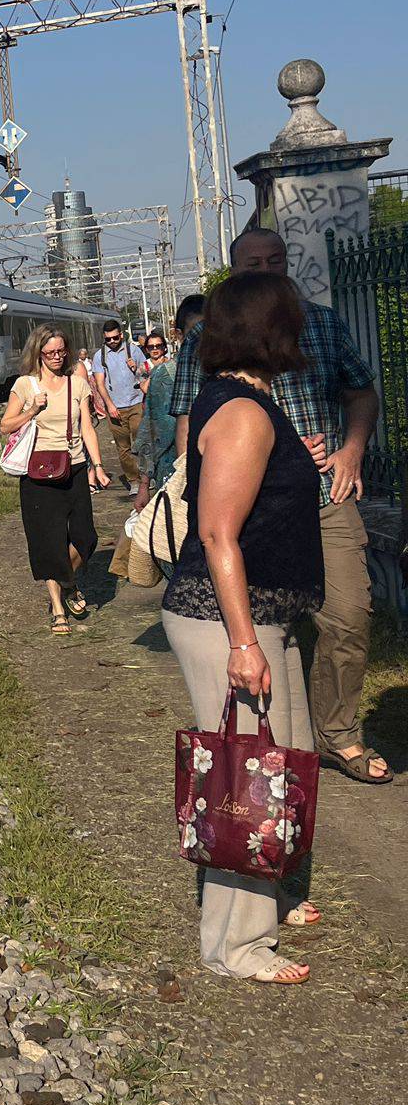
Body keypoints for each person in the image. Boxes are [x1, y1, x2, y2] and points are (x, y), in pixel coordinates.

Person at [173, 227, 388, 782]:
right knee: (252, 774)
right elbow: (218, 517)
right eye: (254, 263)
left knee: (344, 623)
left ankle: (336, 737)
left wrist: (348, 451)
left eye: (276, 260)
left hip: (310, 518)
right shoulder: (231, 383)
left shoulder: (307, 334)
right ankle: (249, 859)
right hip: (249, 549)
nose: (267, 270)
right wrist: (242, 642)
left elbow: (361, 391)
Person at [162, 272, 322, 982]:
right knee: (245, 774)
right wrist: (244, 642)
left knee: (284, 757)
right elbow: (219, 534)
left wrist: (299, 466)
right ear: (271, 328)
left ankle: (270, 890)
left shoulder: (246, 403)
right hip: (229, 617)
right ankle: (235, 945)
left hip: (259, 612)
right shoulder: (244, 413)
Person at [0, 326, 112, 632]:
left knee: (85, 538)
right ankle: (58, 607)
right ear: (38, 353)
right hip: (38, 473)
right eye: (50, 353)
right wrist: (32, 410)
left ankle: (68, 581)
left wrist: (97, 465)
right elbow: (5, 426)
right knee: (48, 542)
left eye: (61, 351)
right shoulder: (25, 385)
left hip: (73, 468)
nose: (57, 357)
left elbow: (87, 427)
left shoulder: (78, 384)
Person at [134, 295, 205, 496]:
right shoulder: (164, 375)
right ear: (179, 335)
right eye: (195, 332)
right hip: (172, 475)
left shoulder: (230, 373)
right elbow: (151, 428)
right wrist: (143, 485)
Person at [89, 319, 150, 487]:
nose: (112, 342)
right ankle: (133, 480)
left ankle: (146, 475)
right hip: (115, 407)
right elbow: (100, 383)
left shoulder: (134, 350)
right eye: (107, 339)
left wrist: (135, 369)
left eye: (115, 338)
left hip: (136, 402)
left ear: (121, 335)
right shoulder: (99, 356)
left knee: (141, 441)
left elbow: (145, 377)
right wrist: (109, 405)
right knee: (123, 447)